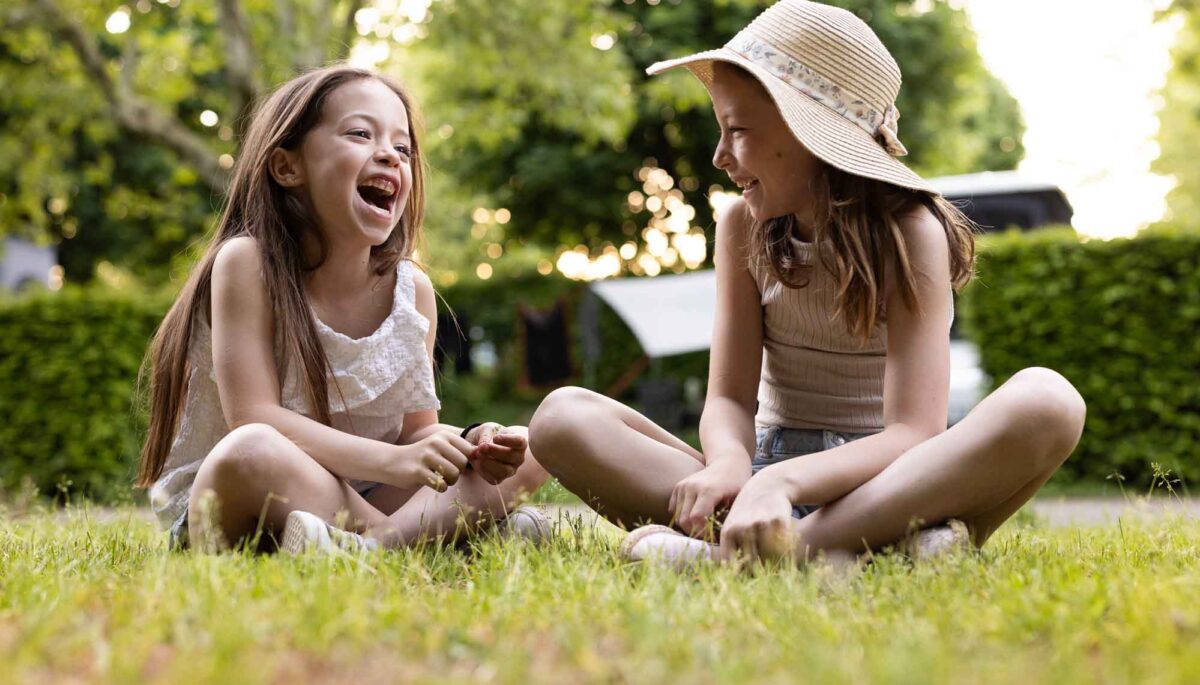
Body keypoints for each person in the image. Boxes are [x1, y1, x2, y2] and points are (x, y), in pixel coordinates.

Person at [528, 0, 1085, 565]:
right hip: (758, 480)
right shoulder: (742, 225)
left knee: (1049, 401)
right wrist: (731, 466)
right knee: (561, 417)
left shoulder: (912, 232)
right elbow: (728, 397)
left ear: (808, 132)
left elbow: (914, 432)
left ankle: (755, 559)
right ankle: (864, 554)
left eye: (737, 130)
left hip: (884, 485)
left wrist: (786, 483)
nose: (720, 156)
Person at [137, 65, 549, 554]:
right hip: (249, 496)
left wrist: (473, 443)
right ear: (287, 167)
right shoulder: (247, 264)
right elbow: (254, 416)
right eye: (360, 134)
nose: (390, 155)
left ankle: (372, 548)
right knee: (253, 448)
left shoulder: (411, 291)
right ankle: (428, 540)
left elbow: (417, 434)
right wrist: (394, 463)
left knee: (536, 444)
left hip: (364, 498)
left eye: (403, 148)